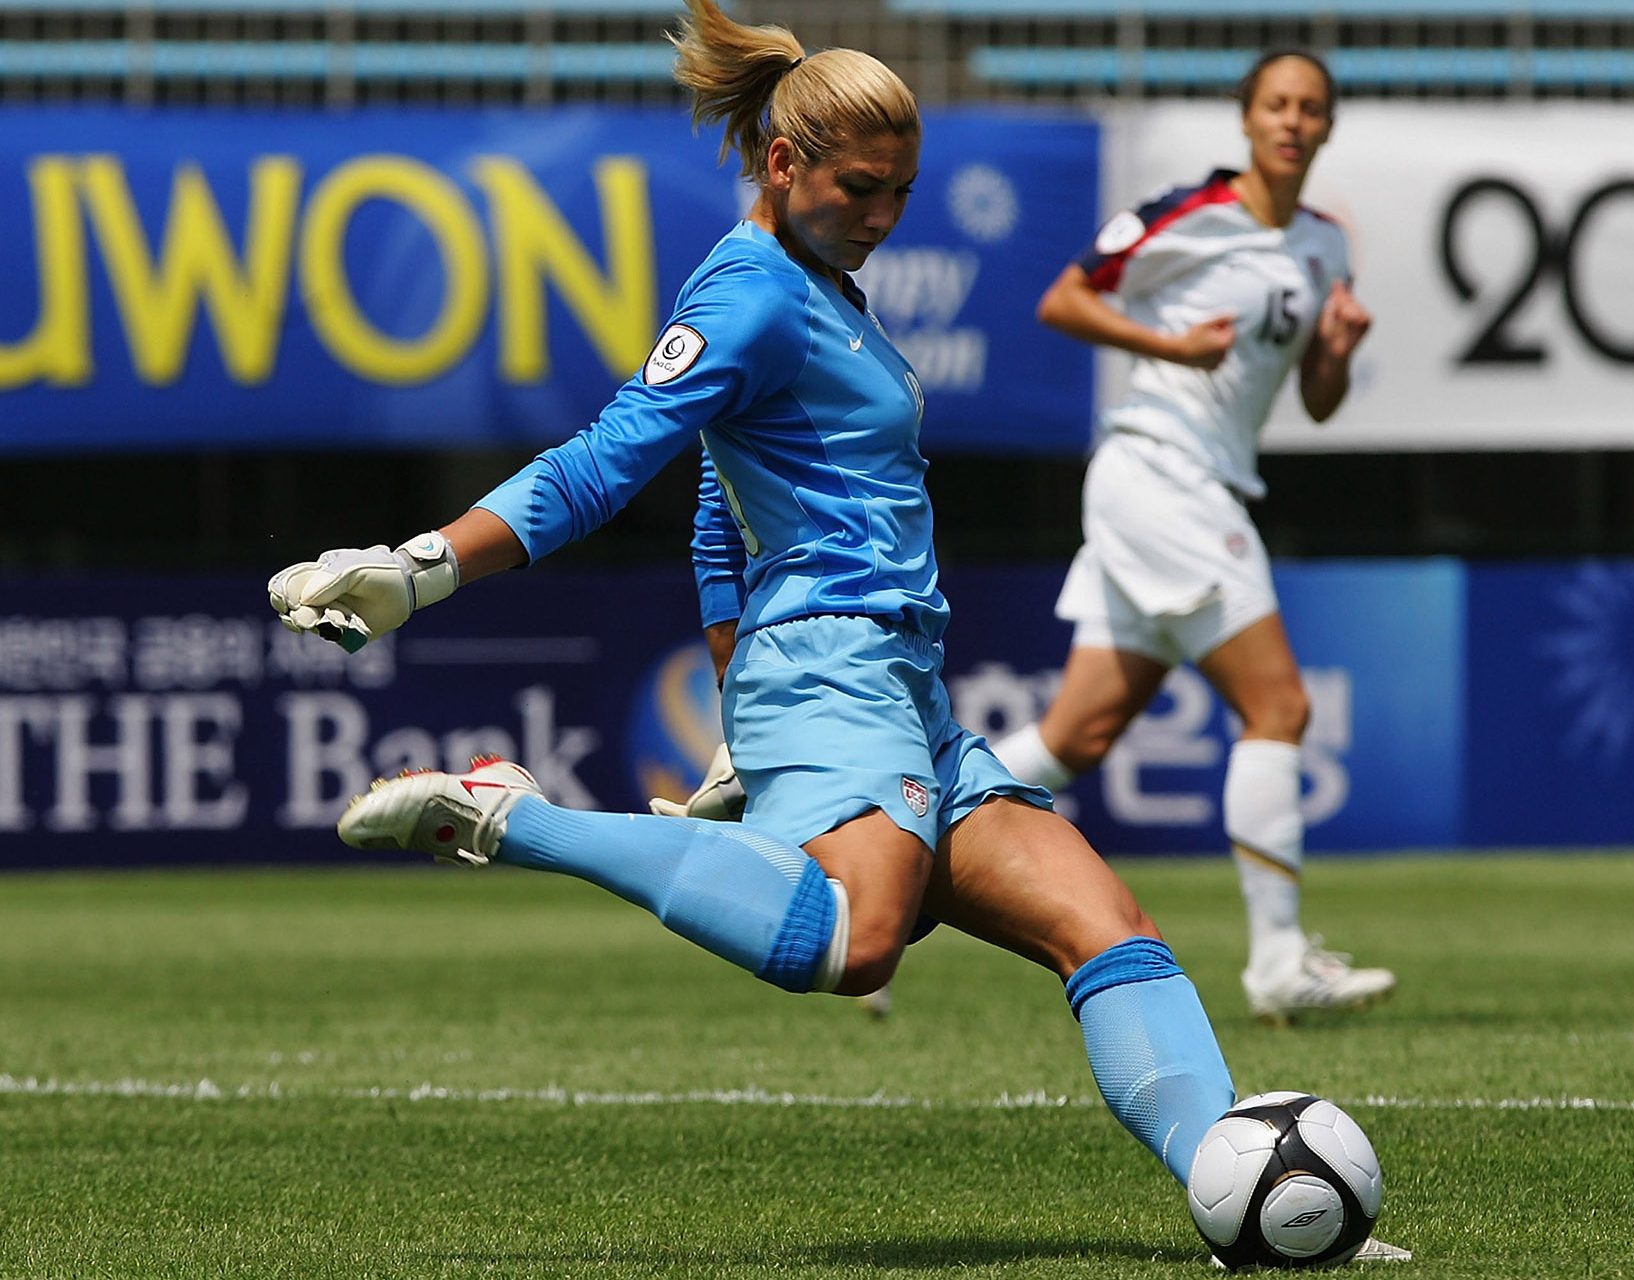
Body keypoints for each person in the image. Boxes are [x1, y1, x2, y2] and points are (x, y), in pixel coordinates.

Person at [267, 0, 1238, 1196]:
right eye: (862, 189)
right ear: (785, 163)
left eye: (902, 194)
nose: (882, 218)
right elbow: (605, 458)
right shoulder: (752, 291)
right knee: (854, 938)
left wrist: (733, 693)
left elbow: (720, 507)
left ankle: (1240, 1184)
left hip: (893, 685)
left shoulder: (826, 291)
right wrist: (423, 567)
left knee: (1111, 929)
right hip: (831, 666)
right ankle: (502, 814)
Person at [990, 49, 1396, 1024]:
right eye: (1276, 105)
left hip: (1196, 484)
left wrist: (1335, 355)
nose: (1292, 121)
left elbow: (1318, 402)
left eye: (1310, 107)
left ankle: (891, 832)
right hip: (1161, 477)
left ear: (1327, 126)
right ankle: (1278, 962)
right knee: (1280, 707)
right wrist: (1172, 344)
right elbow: (1063, 298)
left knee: (1075, 734)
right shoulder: (1188, 212)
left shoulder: (1328, 245)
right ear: (1246, 120)